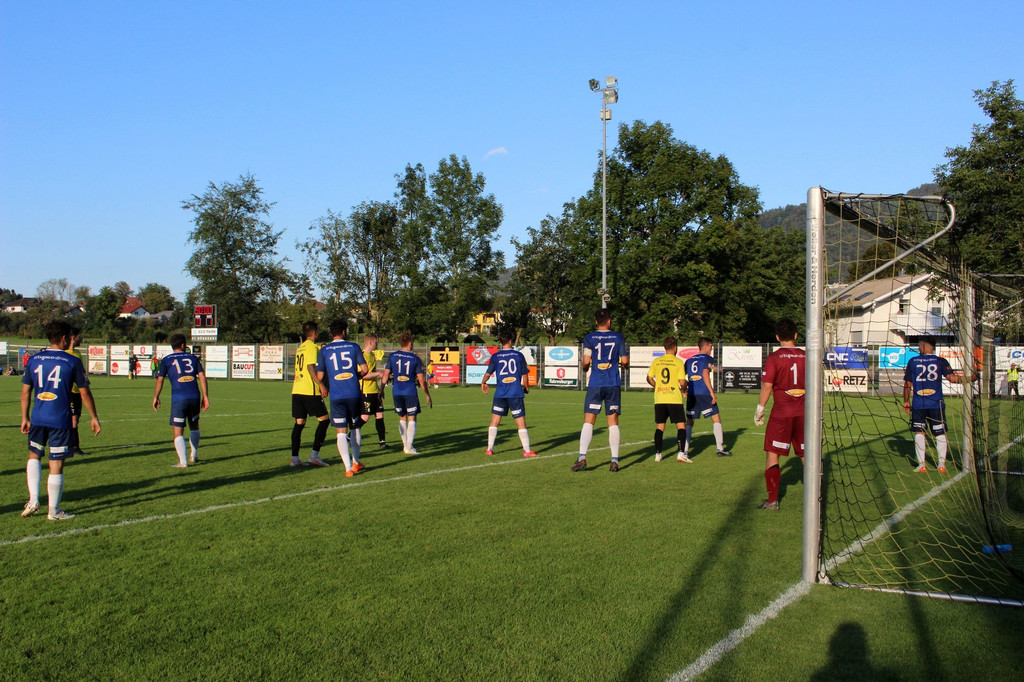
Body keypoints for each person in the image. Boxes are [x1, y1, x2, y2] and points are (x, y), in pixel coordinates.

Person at [20, 320, 101, 520]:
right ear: (65, 338)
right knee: (56, 463)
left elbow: (25, 392)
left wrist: (24, 417)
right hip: (60, 419)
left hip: (38, 417)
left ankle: (33, 500)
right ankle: (54, 511)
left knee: (34, 456)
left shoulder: (35, 359)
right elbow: (84, 393)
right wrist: (94, 417)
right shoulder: (72, 361)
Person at [902, 335, 977, 473]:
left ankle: (921, 465)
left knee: (919, 432)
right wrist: (970, 378)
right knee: (940, 433)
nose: (918, 347)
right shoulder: (940, 361)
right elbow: (952, 379)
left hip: (919, 404)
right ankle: (941, 465)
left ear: (924, 345)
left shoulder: (913, 361)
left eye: (919, 345)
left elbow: (907, 384)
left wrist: (906, 401)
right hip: (936, 404)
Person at [753, 319, 805, 510]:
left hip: (782, 414)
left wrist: (760, 408)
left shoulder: (774, 358)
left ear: (777, 337)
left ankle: (772, 501)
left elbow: (767, 385)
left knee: (773, 454)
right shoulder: (807, 356)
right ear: (796, 336)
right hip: (805, 414)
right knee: (807, 455)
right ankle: (817, 499)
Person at [573, 308, 629, 472]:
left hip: (596, 383)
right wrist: (625, 366)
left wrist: (585, 369)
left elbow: (586, 361)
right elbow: (624, 360)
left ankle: (582, 457)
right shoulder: (618, 337)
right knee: (612, 422)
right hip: (612, 383)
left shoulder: (590, 338)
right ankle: (615, 460)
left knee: (589, 420)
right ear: (610, 321)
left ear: (596, 322)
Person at [316, 319, 368, 477]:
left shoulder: (324, 350)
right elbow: (365, 370)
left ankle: (347, 468)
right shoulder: (354, 346)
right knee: (355, 427)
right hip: (353, 393)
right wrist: (354, 376)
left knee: (340, 431)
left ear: (331, 333)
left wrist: (329, 381)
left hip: (337, 394)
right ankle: (356, 461)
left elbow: (319, 376)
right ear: (344, 331)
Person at [153, 334, 210, 468]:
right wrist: (205, 396)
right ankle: (194, 456)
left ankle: (183, 462)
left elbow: (160, 379)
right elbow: (202, 375)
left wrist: (156, 396)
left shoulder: (166, 360)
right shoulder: (193, 358)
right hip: (194, 397)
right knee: (194, 426)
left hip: (179, 398)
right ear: (184, 345)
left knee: (178, 431)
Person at [481, 332, 537, 458]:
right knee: (521, 422)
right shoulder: (518, 355)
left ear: (500, 342)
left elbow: (488, 373)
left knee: (494, 421)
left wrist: (483, 382)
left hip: (500, 393)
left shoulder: (495, 356)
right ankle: (527, 451)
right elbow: (524, 373)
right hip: (515, 392)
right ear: (511, 341)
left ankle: (489, 449)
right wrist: (526, 386)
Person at [380, 333, 432, 455]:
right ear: (409, 343)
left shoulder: (392, 356)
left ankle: (405, 446)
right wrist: (427, 394)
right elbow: (421, 379)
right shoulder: (415, 359)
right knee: (412, 418)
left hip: (396, 391)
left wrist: (381, 390)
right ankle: (409, 446)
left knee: (402, 417)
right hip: (409, 391)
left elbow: (386, 374)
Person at [290, 321, 332, 467]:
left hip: (297, 389)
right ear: (315, 332)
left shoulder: (300, 347)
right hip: (309, 390)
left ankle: (295, 459)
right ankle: (314, 455)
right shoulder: (312, 347)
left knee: (299, 423)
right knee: (325, 420)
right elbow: (310, 367)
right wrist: (321, 384)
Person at [683, 337, 731, 457]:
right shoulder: (707, 358)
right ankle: (720, 449)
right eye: (710, 346)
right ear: (705, 346)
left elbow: (683, 375)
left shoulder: (689, 360)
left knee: (689, 422)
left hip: (692, 394)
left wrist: (684, 390)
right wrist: (712, 392)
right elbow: (704, 373)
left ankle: (685, 451)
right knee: (716, 419)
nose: (711, 349)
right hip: (704, 392)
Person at [646, 336, 689, 463]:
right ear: (675, 348)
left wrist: (658, 386)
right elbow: (682, 382)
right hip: (674, 398)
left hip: (660, 398)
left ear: (664, 348)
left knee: (660, 427)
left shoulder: (657, 361)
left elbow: (649, 378)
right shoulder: (678, 362)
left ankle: (658, 454)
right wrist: (684, 390)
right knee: (681, 426)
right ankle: (681, 453)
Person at [358, 333, 388, 447]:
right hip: (366, 390)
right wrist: (378, 374)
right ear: (370, 342)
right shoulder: (362, 356)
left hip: (375, 390)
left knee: (379, 415)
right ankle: (350, 436)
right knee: (365, 417)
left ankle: (382, 442)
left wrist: (381, 389)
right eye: (376, 342)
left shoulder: (372, 356)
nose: (377, 344)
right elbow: (363, 375)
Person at [67, 326, 87, 455]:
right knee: (72, 419)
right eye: (79, 336)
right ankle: (74, 447)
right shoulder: (65, 354)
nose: (81, 339)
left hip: (77, 391)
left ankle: (72, 446)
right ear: (73, 338)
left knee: (76, 419)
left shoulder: (78, 353)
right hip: (68, 392)